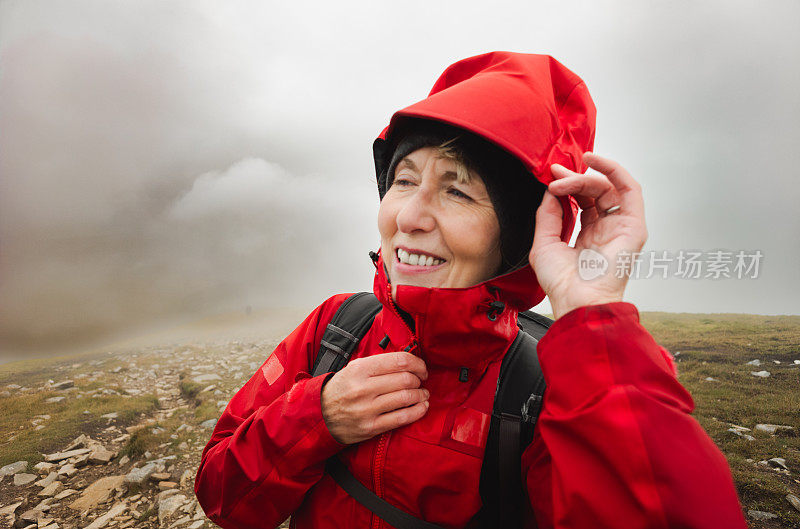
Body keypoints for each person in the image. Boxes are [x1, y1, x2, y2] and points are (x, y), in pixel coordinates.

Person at [194, 52, 747, 529]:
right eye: (403, 181)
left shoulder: (544, 390)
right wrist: (318, 418)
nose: (408, 217)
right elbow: (222, 498)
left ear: (516, 236)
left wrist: (593, 310)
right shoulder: (338, 326)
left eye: (456, 192)